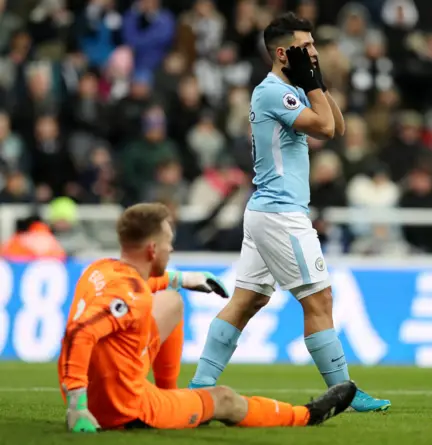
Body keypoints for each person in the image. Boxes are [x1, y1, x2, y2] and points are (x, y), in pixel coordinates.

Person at [189, 13, 390, 413]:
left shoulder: (291, 89)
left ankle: (199, 386)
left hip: (267, 211)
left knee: (246, 302)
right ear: (283, 53)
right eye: (306, 46)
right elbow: (327, 130)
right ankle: (345, 393)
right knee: (320, 298)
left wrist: (313, 81)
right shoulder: (272, 93)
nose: (314, 51)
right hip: (282, 214)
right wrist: (311, 84)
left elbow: (340, 124)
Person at [58, 202, 356, 432]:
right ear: (152, 249)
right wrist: (77, 407)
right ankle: (305, 416)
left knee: (171, 302)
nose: (171, 248)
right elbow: (79, 334)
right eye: (167, 243)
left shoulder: (101, 269)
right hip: (124, 409)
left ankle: (168, 393)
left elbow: (139, 284)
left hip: (103, 386)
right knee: (224, 399)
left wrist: (186, 279)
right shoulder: (129, 297)